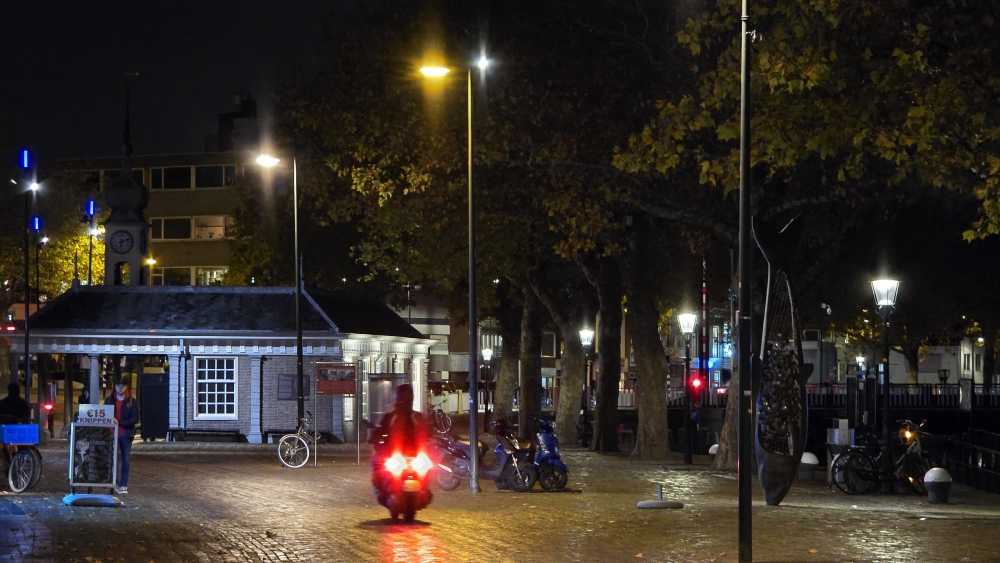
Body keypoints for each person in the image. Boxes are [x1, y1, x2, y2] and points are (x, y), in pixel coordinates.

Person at [369, 384, 429, 506]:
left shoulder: (417, 416)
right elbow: (380, 431)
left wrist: (432, 437)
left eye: (407, 397)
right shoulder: (390, 417)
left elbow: (426, 431)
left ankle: (423, 489)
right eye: (403, 397)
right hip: (394, 453)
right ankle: (382, 490)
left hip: (414, 455)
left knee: (428, 468)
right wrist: (377, 440)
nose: (405, 400)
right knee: (378, 466)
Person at [104, 378, 137, 494]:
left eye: (123, 385)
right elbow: (104, 413)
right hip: (112, 433)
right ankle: (114, 483)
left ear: (127, 387)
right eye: (118, 385)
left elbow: (134, 419)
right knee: (112, 459)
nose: (120, 388)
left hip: (125, 434)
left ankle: (123, 484)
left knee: (125, 459)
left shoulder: (132, 401)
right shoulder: (109, 400)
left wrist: (119, 422)